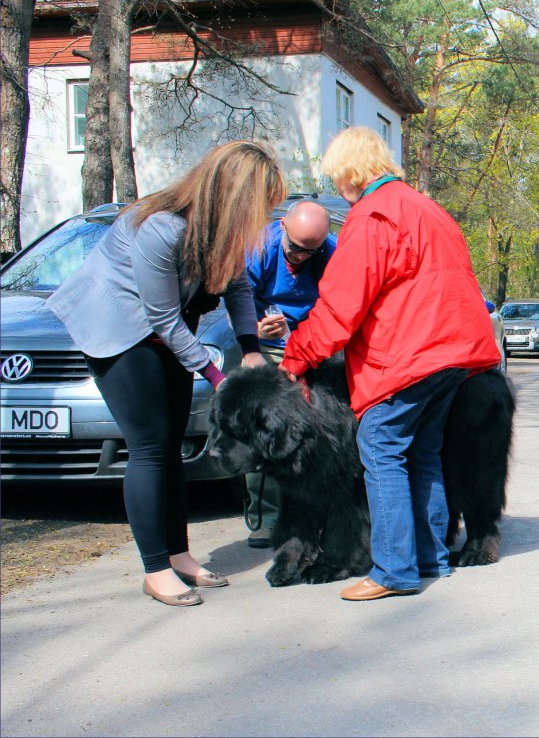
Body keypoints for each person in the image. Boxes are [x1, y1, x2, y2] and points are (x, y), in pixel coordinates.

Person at [48, 141, 287, 607]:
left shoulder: (222, 229)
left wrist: (251, 350)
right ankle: (156, 569)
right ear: (236, 194)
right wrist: (220, 380)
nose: (265, 214)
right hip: (118, 329)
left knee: (171, 446)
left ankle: (180, 556)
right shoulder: (161, 227)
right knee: (150, 449)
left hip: (162, 331)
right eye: (262, 202)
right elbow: (162, 318)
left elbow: (238, 285)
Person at [279, 126, 501, 601]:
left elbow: (341, 307)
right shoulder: (429, 209)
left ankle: (393, 571)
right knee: (423, 454)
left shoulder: (372, 217)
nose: (337, 185)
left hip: (409, 355)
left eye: (337, 176)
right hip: (455, 354)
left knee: (381, 448)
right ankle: (430, 559)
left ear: (350, 172)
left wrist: (294, 359)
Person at [243, 199, 337, 547]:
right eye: (295, 249)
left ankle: (322, 515)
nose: (300, 257)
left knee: (322, 431)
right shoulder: (259, 248)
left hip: (315, 346)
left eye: (309, 252)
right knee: (265, 430)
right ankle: (266, 518)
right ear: (283, 225)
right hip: (267, 347)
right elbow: (235, 302)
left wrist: (310, 340)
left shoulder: (331, 252)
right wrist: (255, 331)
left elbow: (340, 303)